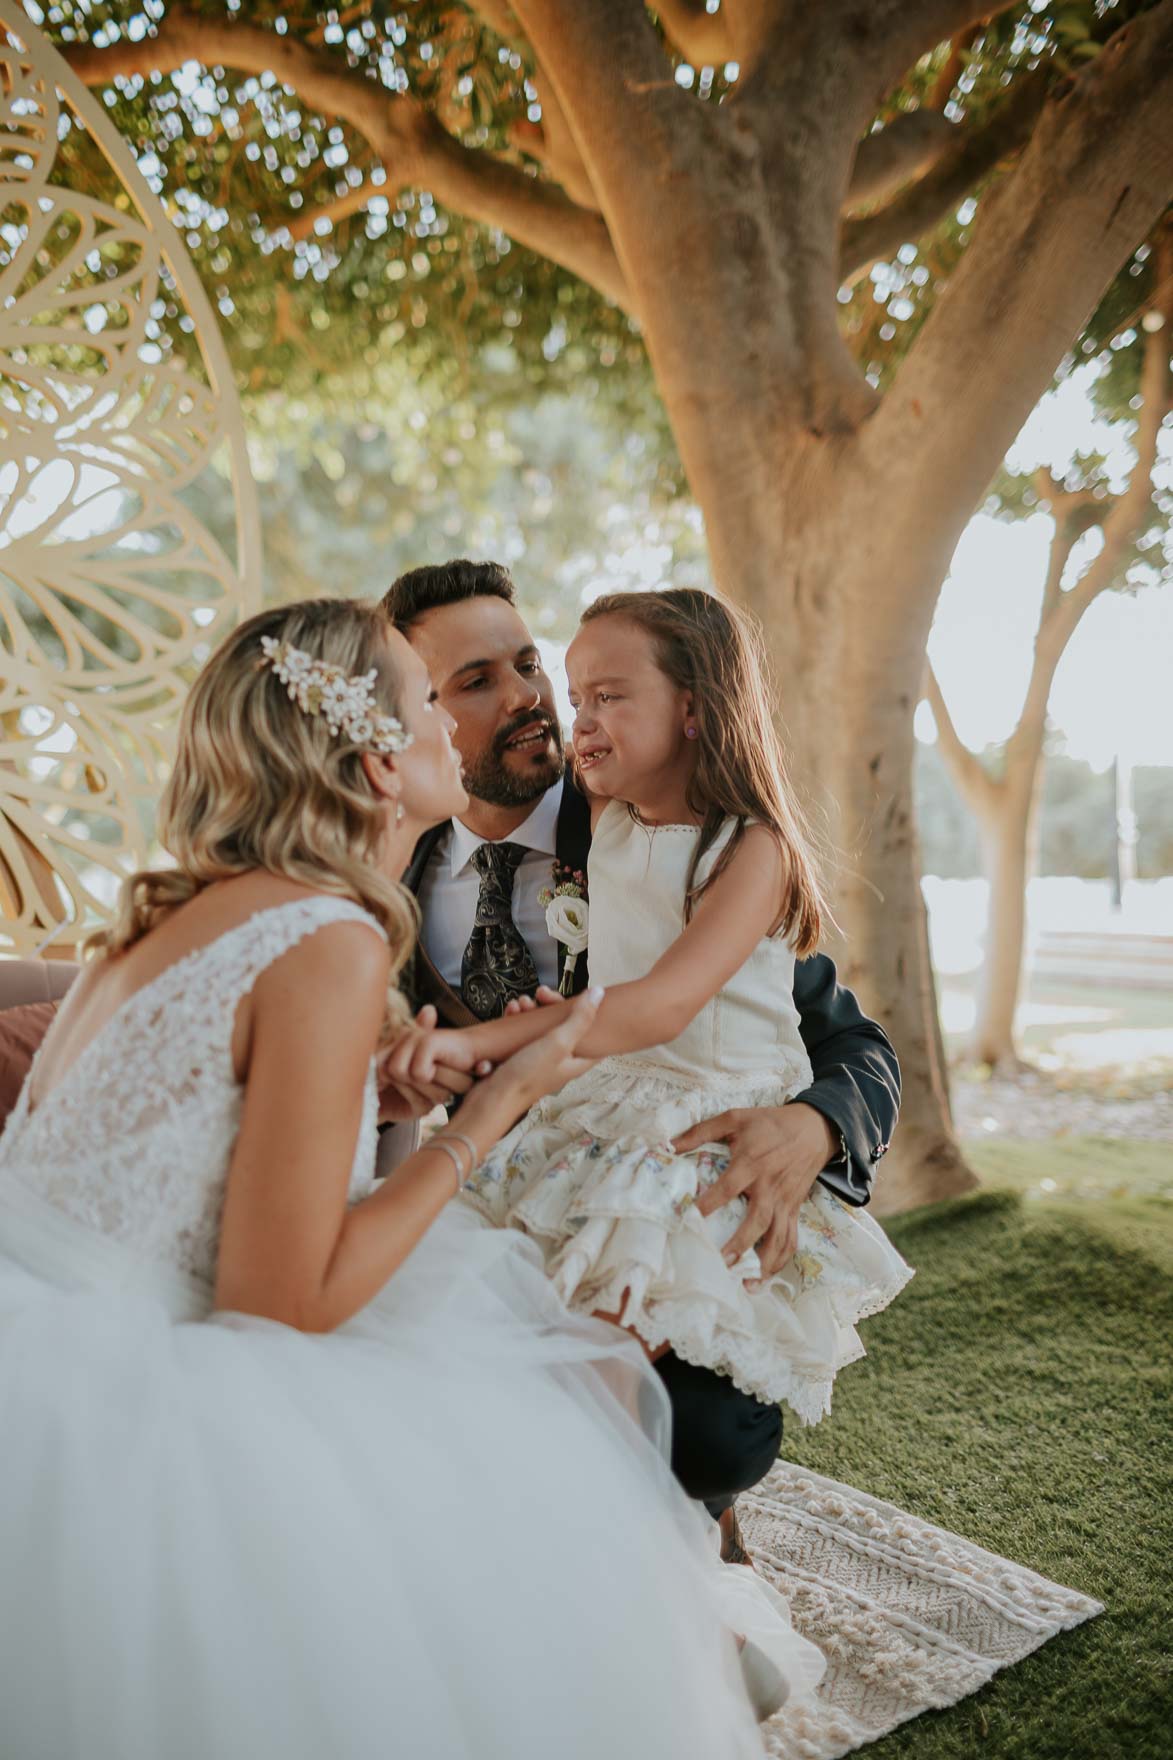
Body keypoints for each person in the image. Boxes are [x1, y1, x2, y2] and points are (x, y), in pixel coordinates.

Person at [0, 597, 823, 1759]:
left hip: (45, 1296)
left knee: (540, 1365)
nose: (457, 721)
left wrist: (375, 1104)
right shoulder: (328, 936)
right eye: (428, 695)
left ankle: (657, 1606)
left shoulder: (185, 909)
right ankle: (621, 1635)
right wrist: (485, 1111)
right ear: (384, 758)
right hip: (129, 1380)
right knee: (509, 1406)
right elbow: (277, 1305)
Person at [381, 560, 901, 1552]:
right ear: (421, 713)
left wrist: (816, 1120)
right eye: (477, 680)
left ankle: (682, 1548)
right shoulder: (394, 871)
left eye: (528, 664)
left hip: (675, 1149)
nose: (534, 699)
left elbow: (845, 1037)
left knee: (686, 1417)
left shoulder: (655, 811)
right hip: (538, 1175)